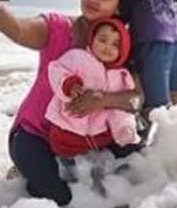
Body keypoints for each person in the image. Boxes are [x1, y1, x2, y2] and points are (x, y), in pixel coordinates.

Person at [0, 0, 143, 207]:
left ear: (119, 6)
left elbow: (136, 99)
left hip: (86, 140)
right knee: (60, 197)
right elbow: (19, 29)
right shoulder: (58, 28)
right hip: (34, 134)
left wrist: (103, 100)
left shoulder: (119, 46)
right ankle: (25, 171)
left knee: (131, 166)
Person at [45, 17, 139, 158]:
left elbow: (120, 109)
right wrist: (69, 84)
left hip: (98, 138)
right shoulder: (78, 57)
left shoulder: (121, 76)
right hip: (67, 130)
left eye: (116, 44)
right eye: (103, 40)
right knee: (66, 163)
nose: (107, 47)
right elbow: (56, 69)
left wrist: (124, 127)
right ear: (92, 39)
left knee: (100, 163)